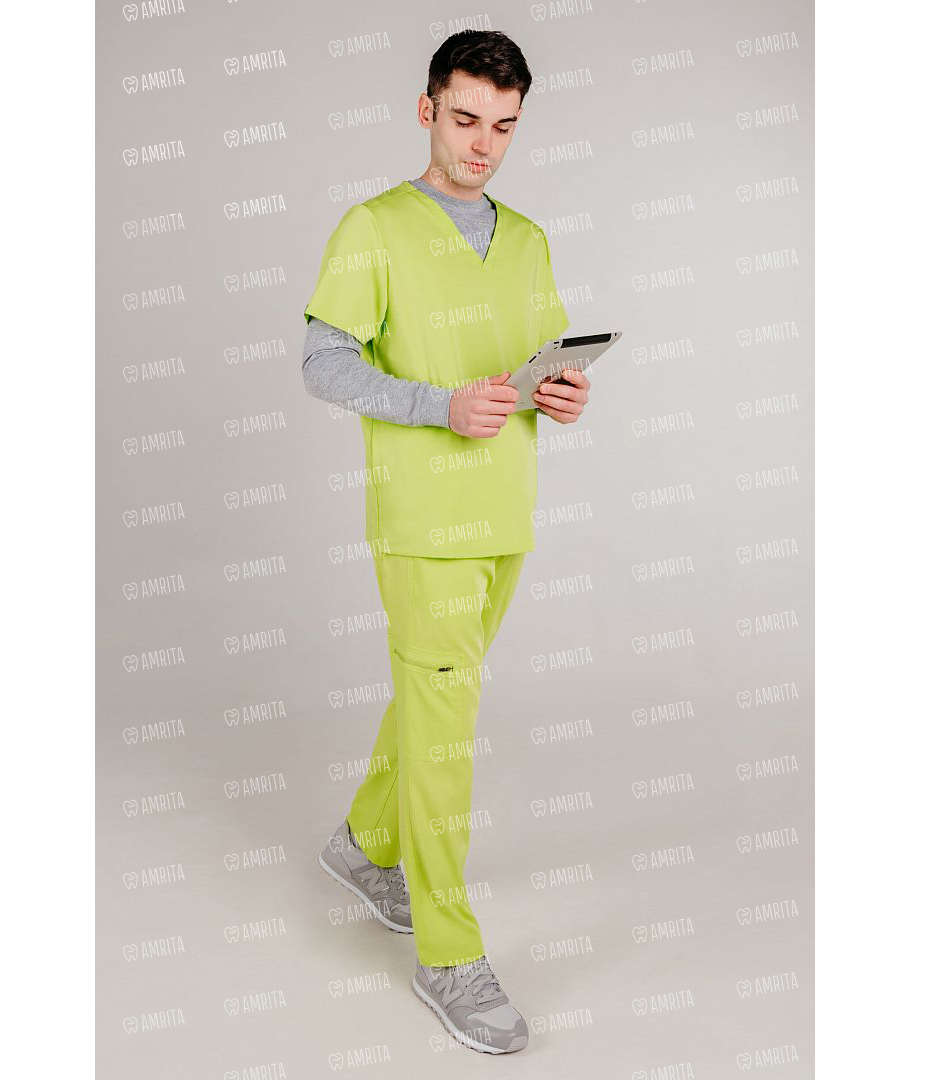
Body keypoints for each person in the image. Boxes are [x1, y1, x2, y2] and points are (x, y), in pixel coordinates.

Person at [304, 30, 590, 1055]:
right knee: (447, 726)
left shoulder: (530, 239)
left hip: (506, 513)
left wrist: (561, 395)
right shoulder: (373, 227)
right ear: (427, 109)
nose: (483, 145)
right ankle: (447, 952)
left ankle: (363, 844)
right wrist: (437, 405)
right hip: (424, 522)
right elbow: (324, 363)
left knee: (435, 699)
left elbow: (534, 364)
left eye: (504, 126)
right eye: (466, 118)